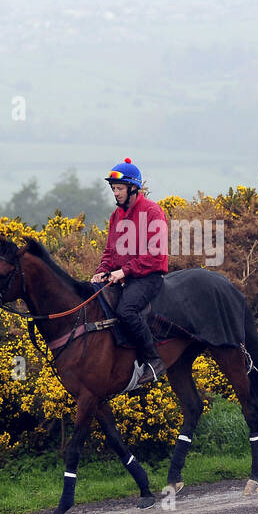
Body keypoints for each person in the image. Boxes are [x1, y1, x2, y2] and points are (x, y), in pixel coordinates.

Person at [92, 158, 169, 386]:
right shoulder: (116, 216)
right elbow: (110, 252)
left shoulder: (153, 212)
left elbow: (155, 255)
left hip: (149, 278)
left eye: (119, 188)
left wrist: (124, 272)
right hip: (125, 276)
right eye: (113, 189)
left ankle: (154, 360)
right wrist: (102, 271)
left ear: (133, 188)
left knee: (126, 311)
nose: (115, 193)